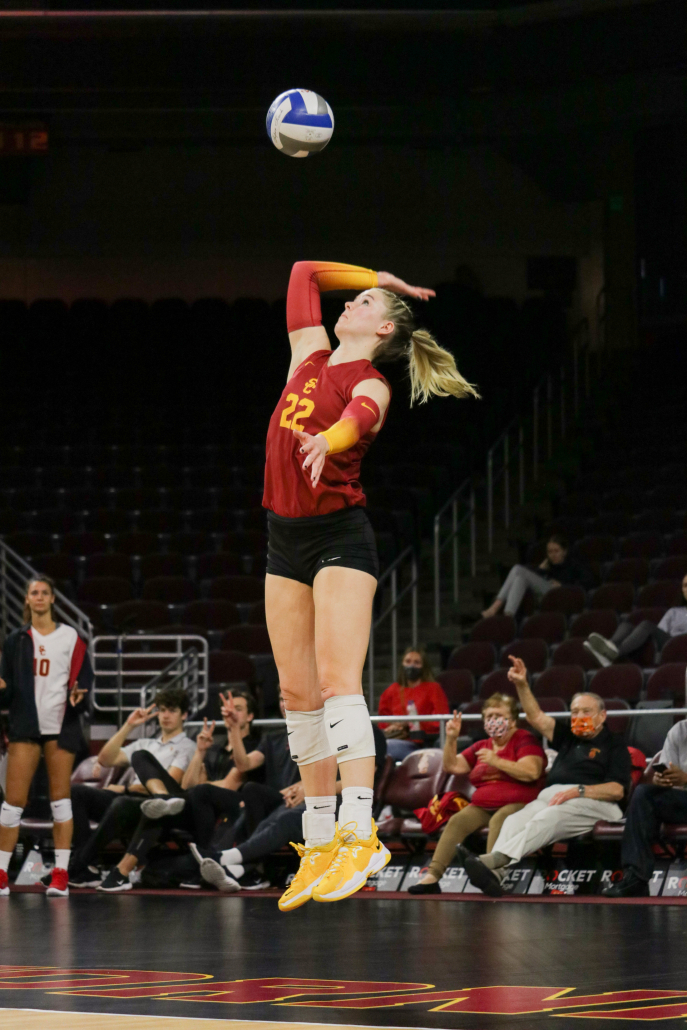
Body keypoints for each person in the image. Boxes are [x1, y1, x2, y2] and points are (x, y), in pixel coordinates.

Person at [262, 259, 479, 910]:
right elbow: (301, 272)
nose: (347, 304)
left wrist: (329, 439)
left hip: (338, 537)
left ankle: (361, 831)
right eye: (351, 298)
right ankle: (320, 839)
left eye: (361, 302)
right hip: (283, 536)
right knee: (295, 693)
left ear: (382, 326)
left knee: (335, 683)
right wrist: (381, 274)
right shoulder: (309, 350)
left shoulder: (373, 381)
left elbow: (359, 417)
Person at [460, 656, 631, 897]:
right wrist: (521, 684)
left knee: (548, 817)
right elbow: (535, 717)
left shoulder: (615, 744)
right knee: (514, 821)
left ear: (602, 716)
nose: (578, 716)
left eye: (586, 711)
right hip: (555, 798)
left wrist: (579, 790)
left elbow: (617, 790)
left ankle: (496, 860)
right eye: (574, 712)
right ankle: (496, 875)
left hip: (598, 804)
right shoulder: (569, 737)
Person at [191, 691, 388, 894]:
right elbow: (246, 765)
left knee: (289, 817)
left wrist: (313, 790)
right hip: (317, 799)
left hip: (350, 803)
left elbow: (364, 780)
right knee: (276, 813)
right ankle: (240, 868)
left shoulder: (368, 732)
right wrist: (233, 728)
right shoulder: (323, 731)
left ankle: (227, 859)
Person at [0, 576, 92, 898]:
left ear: (53, 599)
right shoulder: (15, 639)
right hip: (26, 726)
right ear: (26, 599)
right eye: (33, 593)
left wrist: (80, 694)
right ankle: (1, 874)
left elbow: (84, 679)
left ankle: (60, 875)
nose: (38, 597)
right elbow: (7, 691)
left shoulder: (71, 637)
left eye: (44, 593)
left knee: (60, 800)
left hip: (61, 725)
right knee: (12, 805)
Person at [409, 693, 545, 893]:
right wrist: (451, 739)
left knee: (500, 819)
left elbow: (531, 772)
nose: (493, 721)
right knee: (458, 820)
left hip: (519, 804)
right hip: (483, 805)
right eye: (489, 716)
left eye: (498, 715)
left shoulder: (524, 739)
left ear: (513, 720)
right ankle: (432, 876)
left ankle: (492, 874)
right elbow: (452, 766)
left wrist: (497, 761)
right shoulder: (482, 746)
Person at [67, 686, 195, 889]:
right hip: (130, 799)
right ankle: (87, 869)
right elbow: (105, 759)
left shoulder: (187, 746)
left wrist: (126, 789)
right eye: (162, 710)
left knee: (122, 800)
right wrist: (128, 726)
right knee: (76, 793)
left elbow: (168, 786)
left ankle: (77, 864)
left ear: (184, 715)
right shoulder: (146, 743)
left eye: (172, 710)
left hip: (158, 805)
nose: (166, 715)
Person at [602, 719, 687, 897]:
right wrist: (661, 780)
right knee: (644, 794)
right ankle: (636, 878)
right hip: (683, 799)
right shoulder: (680, 730)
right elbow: (665, 771)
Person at [585, 574, 687, 666]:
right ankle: (610, 647)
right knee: (626, 625)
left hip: (681, 643)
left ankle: (614, 655)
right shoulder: (674, 611)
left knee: (646, 625)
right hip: (669, 642)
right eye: (685, 586)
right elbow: (661, 631)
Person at [482, 535, 592, 619]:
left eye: (556, 551)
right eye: (550, 552)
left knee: (517, 569)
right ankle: (508, 615)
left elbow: (588, 581)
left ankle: (495, 606)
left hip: (563, 593)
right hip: (545, 592)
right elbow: (536, 580)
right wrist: (540, 570)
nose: (553, 555)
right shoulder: (548, 564)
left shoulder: (574, 564)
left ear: (564, 551)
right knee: (520, 578)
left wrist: (563, 585)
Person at [378, 647, 449, 761]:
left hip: (420, 743)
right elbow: (383, 719)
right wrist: (393, 726)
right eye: (408, 662)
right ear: (402, 664)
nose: (411, 666)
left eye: (416, 662)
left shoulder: (433, 688)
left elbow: (440, 720)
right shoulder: (391, 690)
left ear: (423, 666)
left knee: (385, 748)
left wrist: (410, 723)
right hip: (396, 738)